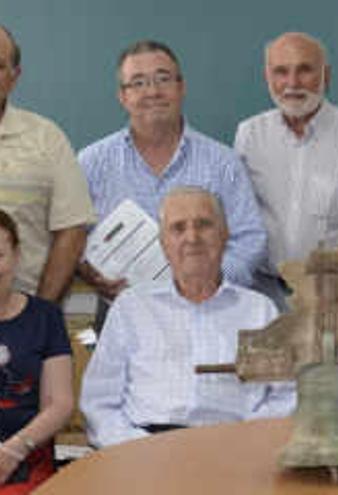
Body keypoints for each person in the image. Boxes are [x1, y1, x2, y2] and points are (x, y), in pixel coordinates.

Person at [80, 187, 293, 448]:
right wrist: (137, 449)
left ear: (225, 235)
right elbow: (99, 402)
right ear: (163, 243)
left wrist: (243, 441)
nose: (192, 237)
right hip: (144, 451)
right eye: (178, 228)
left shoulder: (259, 311)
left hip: (234, 449)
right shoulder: (130, 308)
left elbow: (286, 396)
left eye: (204, 225)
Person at [77, 40, 267, 302]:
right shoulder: (90, 163)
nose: (153, 91)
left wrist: (207, 282)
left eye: (163, 79)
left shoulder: (223, 163)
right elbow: (71, 238)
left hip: (209, 310)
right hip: (120, 314)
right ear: (123, 96)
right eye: (138, 82)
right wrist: (87, 270)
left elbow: (250, 240)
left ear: (181, 87)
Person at [235, 32, 338, 308]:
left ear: (326, 75)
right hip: (265, 295)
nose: (292, 83)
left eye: (304, 70)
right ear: (267, 77)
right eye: (281, 71)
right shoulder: (249, 135)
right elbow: (238, 217)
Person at [0, 24, 95, 303]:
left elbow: (72, 231)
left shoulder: (47, 138)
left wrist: (39, 315)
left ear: (14, 77)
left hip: (26, 310)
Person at [0, 209, 73, 493]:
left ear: (17, 256)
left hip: (27, 455)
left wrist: (13, 451)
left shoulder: (45, 317)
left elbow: (60, 404)